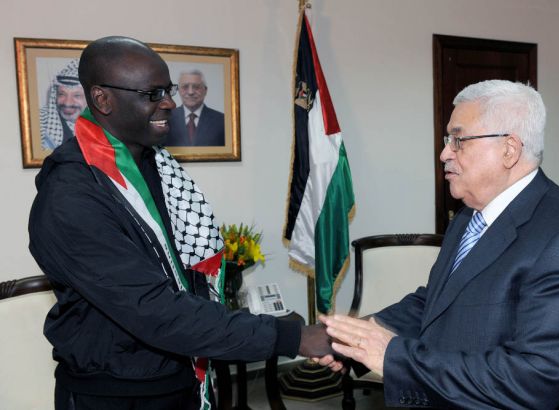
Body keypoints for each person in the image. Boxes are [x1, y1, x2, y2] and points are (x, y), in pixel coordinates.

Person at [28, 36, 333, 410]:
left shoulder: (155, 167)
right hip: (116, 395)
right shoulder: (71, 198)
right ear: (102, 100)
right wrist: (292, 337)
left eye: (168, 90)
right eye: (152, 94)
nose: (170, 103)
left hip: (180, 373)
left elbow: (184, 280)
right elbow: (154, 309)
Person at [321, 80, 559, 409]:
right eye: (448, 140)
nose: (445, 153)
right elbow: (435, 302)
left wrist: (392, 356)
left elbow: (533, 380)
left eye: (458, 140)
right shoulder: (468, 216)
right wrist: (360, 334)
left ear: (509, 150)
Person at [164, 69, 225, 147]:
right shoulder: (166, 118)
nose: (190, 92)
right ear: (179, 90)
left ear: (205, 90)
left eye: (196, 87)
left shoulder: (222, 120)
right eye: (185, 87)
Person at [39, 59, 87, 150]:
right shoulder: (41, 121)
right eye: (62, 94)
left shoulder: (106, 128)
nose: (67, 102)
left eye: (77, 95)